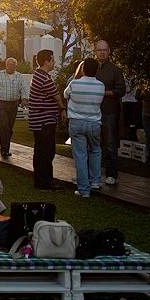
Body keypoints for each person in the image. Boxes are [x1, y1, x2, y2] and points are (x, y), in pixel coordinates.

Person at [63, 57, 105, 197]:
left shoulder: (74, 83)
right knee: (95, 151)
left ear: (83, 69)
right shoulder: (101, 86)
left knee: (80, 155)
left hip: (76, 122)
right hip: (94, 123)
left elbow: (65, 94)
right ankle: (95, 181)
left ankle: (83, 189)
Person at [28, 49, 65, 190]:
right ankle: (45, 182)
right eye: (53, 60)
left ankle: (41, 181)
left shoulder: (39, 75)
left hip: (40, 120)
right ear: (46, 61)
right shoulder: (43, 77)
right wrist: (62, 109)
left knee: (41, 151)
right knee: (46, 151)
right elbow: (56, 95)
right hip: (44, 120)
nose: (54, 62)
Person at [93, 40, 126, 185]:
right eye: (99, 50)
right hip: (92, 111)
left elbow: (121, 90)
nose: (102, 52)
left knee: (110, 143)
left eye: (104, 50)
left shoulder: (115, 70)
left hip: (110, 111)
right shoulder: (90, 68)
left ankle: (111, 174)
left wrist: (104, 92)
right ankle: (94, 173)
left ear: (109, 51)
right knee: (93, 143)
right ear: (94, 51)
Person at [0, 58, 29, 159]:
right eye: (8, 65)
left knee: (9, 128)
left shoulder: (19, 76)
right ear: (6, 65)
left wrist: (24, 98)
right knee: (4, 125)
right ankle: (4, 150)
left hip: (14, 104)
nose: (10, 66)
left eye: (13, 65)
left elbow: (24, 88)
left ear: (15, 66)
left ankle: (6, 148)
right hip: (1, 104)